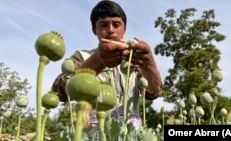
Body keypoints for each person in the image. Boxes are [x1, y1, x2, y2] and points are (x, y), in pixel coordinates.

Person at [51, 0, 162, 134]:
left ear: (124, 28)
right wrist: (97, 61)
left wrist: (148, 63)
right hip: (92, 133)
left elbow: (153, 93)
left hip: (130, 134)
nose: (110, 30)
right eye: (104, 25)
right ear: (94, 30)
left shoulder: (134, 58)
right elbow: (60, 91)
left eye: (116, 24)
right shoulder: (82, 57)